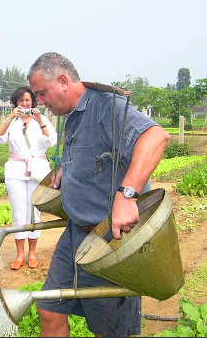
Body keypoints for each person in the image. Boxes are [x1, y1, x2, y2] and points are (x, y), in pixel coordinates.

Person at [27, 52, 170, 337]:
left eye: (42, 93)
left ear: (64, 81)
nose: (40, 102)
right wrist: (68, 170)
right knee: (49, 308)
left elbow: (156, 137)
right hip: (75, 234)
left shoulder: (107, 106)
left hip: (109, 242)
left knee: (110, 330)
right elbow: (94, 154)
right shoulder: (72, 115)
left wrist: (127, 195)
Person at [0, 86, 57, 270]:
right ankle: (20, 255)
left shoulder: (41, 120)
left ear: (33, 102)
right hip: (16, 172)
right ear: (15, 103)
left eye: (27, 100)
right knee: (19, 212)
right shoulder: (12, 122)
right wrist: (11, 117)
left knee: (34, 211)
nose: (24, 104)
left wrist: (40, 120)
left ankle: (32, 253)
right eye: (21, 101)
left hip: (37, 171)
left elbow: (51, 141)